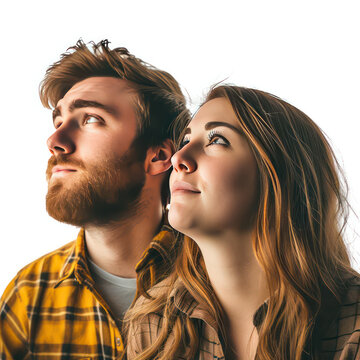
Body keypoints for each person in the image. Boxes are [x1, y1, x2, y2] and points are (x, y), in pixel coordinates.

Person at [126, 85, 360, 360]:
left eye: (217, 140)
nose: (179, 158)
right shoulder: (152, 321)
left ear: (280, 177)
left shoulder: (352, 325)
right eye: (186, 140)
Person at [0, 40, 189, 359]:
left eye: (90, 119)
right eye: (58, 121)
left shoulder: (217, 284)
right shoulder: (28, 293)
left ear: (158, 156)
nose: (55, 141)